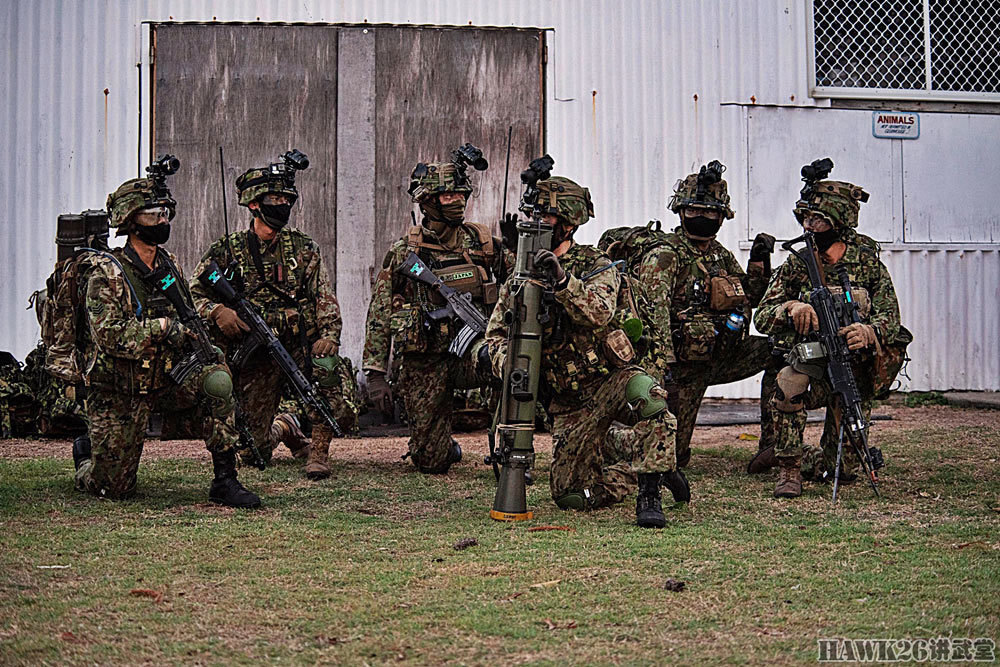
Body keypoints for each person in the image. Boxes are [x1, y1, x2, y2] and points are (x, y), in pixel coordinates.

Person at [485, 174, 688, 528]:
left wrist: (563, 283)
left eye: (545, 217)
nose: (536, 223)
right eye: (533, 214)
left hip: (608, 382)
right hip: (569, 403)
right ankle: (643, 458)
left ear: (568, 223)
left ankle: (650, 488)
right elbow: (495, 335)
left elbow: (599, 312)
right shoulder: (518, 274)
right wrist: (512, 365)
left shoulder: (595, 265)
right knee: (572, 496)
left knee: (650, 396)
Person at [74, 171, 260, 507]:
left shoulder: (168, 263)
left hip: (164, 378)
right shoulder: (108, 271)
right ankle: (86, 459)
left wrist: (202, 342)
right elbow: (110, 336)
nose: (162, 220)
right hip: (122, 388)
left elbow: (185, 312)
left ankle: (225, 479)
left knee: (217, 381)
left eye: (165, 213)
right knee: (114, 490)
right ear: (131, 221)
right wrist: (165, 329)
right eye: (153, 214)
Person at [597, 161, 777, 470]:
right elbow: (654, 315)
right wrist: (661, 371)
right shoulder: (666, 255)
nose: (702, 218)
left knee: (779, 354)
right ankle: (599, 435)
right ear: (681, 211)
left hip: (721, 354)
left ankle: (773, 447)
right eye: (694, 211)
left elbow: (751, 297)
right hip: (680, 369)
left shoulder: (719, 254)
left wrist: (759, 263)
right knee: (672, 456)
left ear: (722, 216)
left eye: (710, 213)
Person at [191, 153, 359, 480]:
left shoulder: (303, 249)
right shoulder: (227, 249)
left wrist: (329, 336)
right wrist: (218, 310)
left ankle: (319, 452)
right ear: (254, 204)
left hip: (296, 344)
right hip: (254, 353)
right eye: (274, 199)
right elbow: (192, 293)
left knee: (325, 374)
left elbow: (323, 297)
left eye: (286, 199)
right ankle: (285, 426)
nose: (281, 204)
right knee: (252, 452)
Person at [754, 171, 911, 498]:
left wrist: (869, 331)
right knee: (788, 384)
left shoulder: (866, 261)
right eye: (805, 218)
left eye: (818, 220)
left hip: (852, 366)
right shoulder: (798, 262)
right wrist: (791, 308)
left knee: (842, 470)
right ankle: (788, 467)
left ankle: (815, 457)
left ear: (840, 222)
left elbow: (891, 319)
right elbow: (762, 317)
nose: (808, 226)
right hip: (810, 360)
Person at [362, 159, 513, 473]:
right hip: (425, 360)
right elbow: (379, 310)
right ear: (428, 201)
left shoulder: (482, 243)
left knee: (504, 362)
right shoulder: (407, 252)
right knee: (431, 462)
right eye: (449, 197)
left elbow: (522, 280)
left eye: (461, 196)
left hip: (471, 352)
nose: (458, 202)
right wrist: (375, 373)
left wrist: (519, 247)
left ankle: (513, 449)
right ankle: (442, 445)